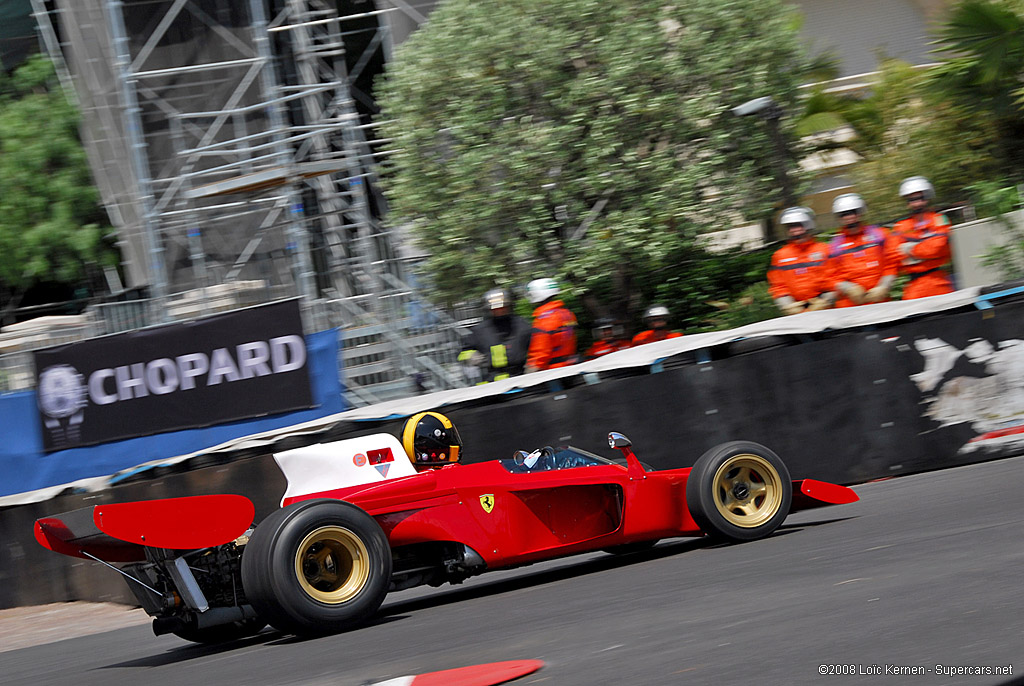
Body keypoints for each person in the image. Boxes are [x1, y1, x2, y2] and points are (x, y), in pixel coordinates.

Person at [826, 193, 897, 307]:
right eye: (844, 214)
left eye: (852, 212)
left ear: (860, 212)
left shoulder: (879, 234)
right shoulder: (835, 244)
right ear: (839, 217)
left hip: (880, 300)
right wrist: (847, 288)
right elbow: (831, 276)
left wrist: (884, 286)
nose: (849, 217)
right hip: (850, 305)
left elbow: (891, 264)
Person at [891, 176, 955, 299]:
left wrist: (909, 250)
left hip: (939, 283)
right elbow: (896, 256)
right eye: (911, 199)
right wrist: (925, 249)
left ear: (927, 197)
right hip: (913, 287)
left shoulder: (939, 219)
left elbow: (936, 248)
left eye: (919, 198)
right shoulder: (900, 226)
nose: (916, 203)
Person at [768, 206, 835, 315]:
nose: (794, 230)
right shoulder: (780, 256)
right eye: (790, 227)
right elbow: (778, 286)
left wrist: (826, 300)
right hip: (796, 310)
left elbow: (835, 278)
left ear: (808, 225)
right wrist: (786, 305)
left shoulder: (825, 250)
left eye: (797, 225)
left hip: (824, 308)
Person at [458, 288, 532, 383]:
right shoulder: (480, 331)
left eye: (502, 307)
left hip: (523, 377)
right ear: (488, 309)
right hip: (493, 382)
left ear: (509, 306)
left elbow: (535, 346)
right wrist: (471, 356)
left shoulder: (521, 325)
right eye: (495, 308)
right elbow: (463, 352)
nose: (499, 310)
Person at [524, 278, 579, 372]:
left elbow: (541, 350)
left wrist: (531, 368)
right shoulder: (567, 314)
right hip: (570, 364)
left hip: (553, 371)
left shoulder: (543, 320)